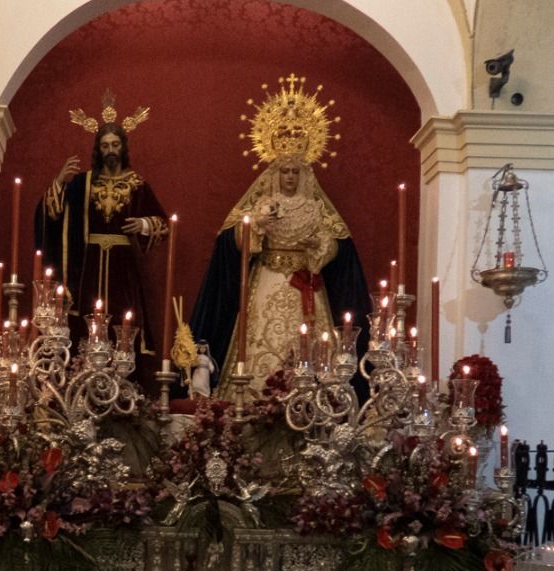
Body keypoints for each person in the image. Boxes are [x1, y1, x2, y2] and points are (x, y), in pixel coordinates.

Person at [188, 155, 371, 390]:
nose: (290, 177)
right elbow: (232, 238)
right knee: (260, 341)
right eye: (285, 171)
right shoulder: (263, 205)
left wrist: (319, 245)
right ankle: (256, 398)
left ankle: (313, 396)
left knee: (309, 344)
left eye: (295, 172)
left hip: (305, 283)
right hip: (267, 280)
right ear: (276, 174)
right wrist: (256, 225)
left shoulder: (315, 208)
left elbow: (337, 245)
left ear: (303, 176)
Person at [34, 92, 170, 374]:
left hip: (123, 265)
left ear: (123, 147)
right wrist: (60, 180)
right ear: (98, 148)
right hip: (90, 265)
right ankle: (84, 374)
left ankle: (123, 379)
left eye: (115, 144)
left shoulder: (136, 183)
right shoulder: (83, 183)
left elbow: (163, 223)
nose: (110, 149)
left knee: (123, 318)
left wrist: (143, 224)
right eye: (105, 144)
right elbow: (52, 214)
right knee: (86, 315)